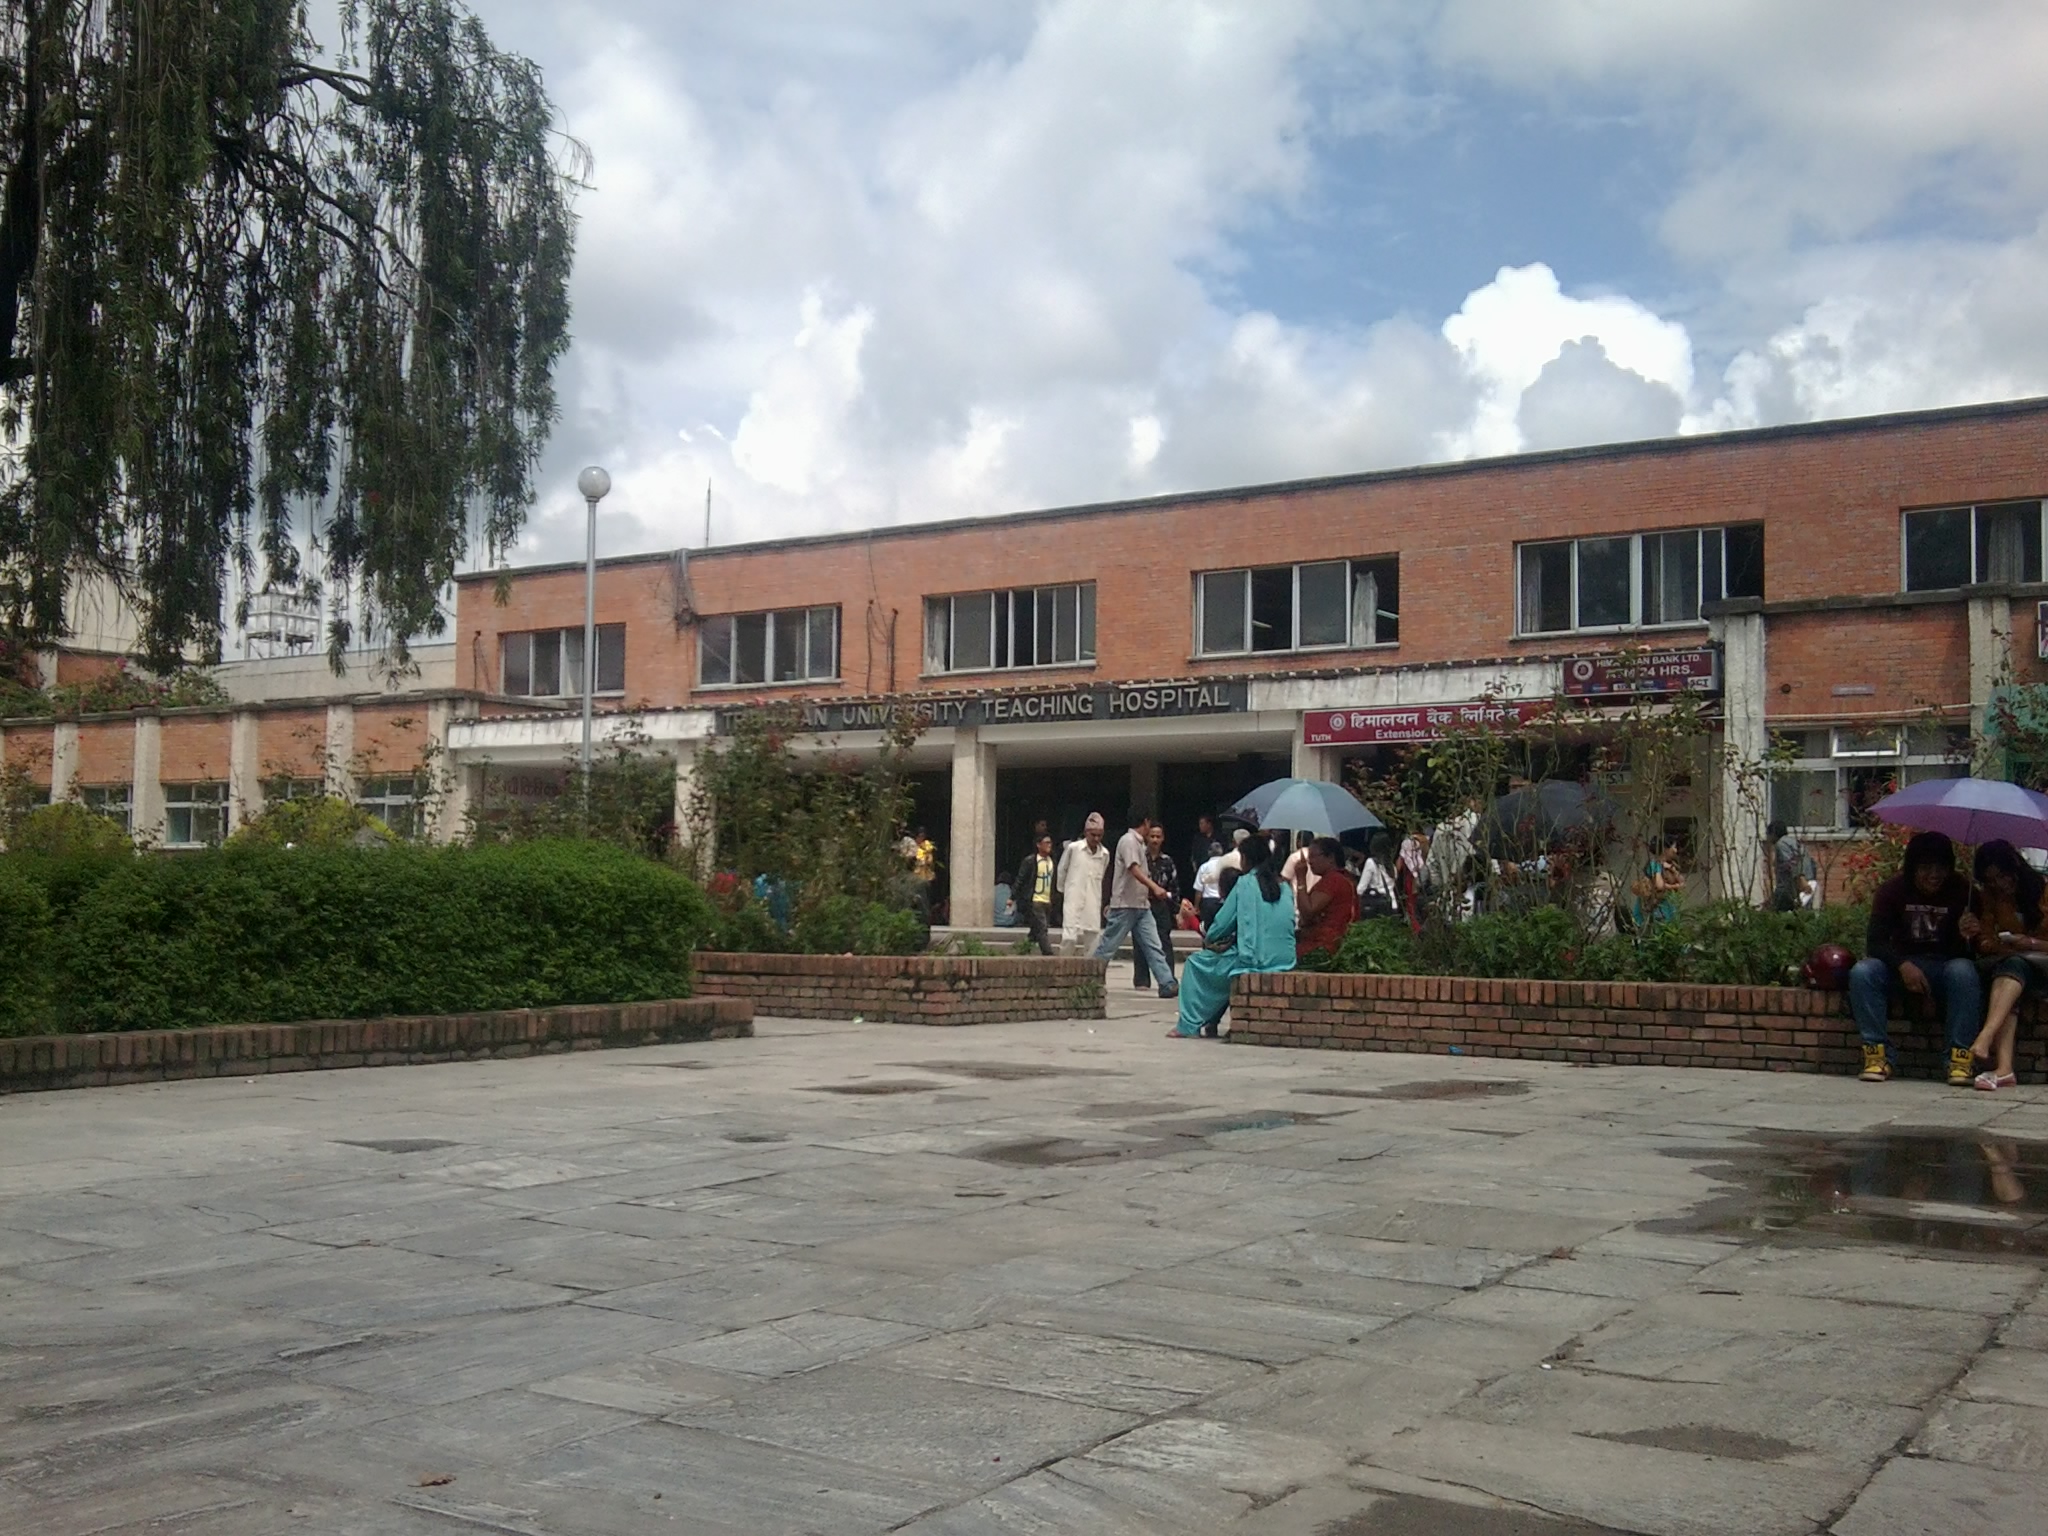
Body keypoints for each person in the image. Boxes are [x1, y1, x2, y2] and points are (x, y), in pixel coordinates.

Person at [1849, 830, 1980, 1084]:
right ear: (1912, 868)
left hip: (1945, 967)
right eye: (1926, 868)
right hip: (1899, 965)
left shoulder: (1964, 892)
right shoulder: (1892, 891)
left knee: (1964, 971)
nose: (1934, 875)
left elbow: (1973, 954)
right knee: (1863, 972)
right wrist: (1902, 965)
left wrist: (1970, 935)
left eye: (1941, 868)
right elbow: (1875, 943)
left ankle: (1959, 1058)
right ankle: (1878, 1056)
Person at [1171, 832, 1295, 1038]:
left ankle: (1188, 1025)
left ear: (1246, 859)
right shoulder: (1284, 887)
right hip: (1286, 958)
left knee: (1195, 964)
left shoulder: (1245, 883)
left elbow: (1220, 926)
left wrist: (1210, 936)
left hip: (1254, 959)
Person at [1964, 839, 2047, 1091]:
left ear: (2015, 868)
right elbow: (1986, 942)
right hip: (2015, 966)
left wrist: (2030, 943)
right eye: (1990, 881)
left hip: (2043, 966)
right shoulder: (1992, 899)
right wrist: (1976, 935)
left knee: (2012, 969)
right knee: (2011, 971)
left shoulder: (2043, 892)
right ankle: (2004, 1069)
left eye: (2002, 877)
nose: (1999, 885)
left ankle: (1986, 1037)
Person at [1094, 807, 1178, 998]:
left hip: (1141, 904)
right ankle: (1090, 978)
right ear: (1145, 822)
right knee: (1108, 946)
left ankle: (1167, 983)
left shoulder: (1139, 843)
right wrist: (1154, 887)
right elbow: (1134, 869)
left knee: (1153, 945)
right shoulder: (1129, 841)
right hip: (1125, 904)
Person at [1295, 836, 1360, 963]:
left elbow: (1308, 911)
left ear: (1330, 858)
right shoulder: (1344, 878)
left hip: (1323, 946)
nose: (1310, 862)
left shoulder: (1333, 880)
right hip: (1337, 943)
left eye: (1313, 856)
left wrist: (1301, 879)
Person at [1135, 825, 1180, 988]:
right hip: (1142, 902)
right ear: (1147, 837)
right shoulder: (1140, 858)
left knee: (1164, 941)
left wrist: (1176, 910)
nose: (1154, 840)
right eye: (1152, 836)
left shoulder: (1167, 861)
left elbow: (1174, 886)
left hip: (1161, 905)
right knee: (1140, 940)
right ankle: (1141, 980)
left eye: (1158, 836)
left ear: (1162, 839)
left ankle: (1168, 978)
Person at [1056, 813, 1112, 935]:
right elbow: (1062, 869)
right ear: (1086, 833)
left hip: (1093, 898)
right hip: (1073, 896)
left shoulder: (1104, 854)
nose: (1096, 839)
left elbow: (1102, 874)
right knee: (1069, 936)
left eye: (1099, 835)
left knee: (1092, 934)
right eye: (1093, 835)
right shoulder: (1073, 848)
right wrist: (1063, 890)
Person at [1014, 832, 1058, 956]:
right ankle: (1048, 953)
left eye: (1050, 843)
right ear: (1039, 845)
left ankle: (1024, 949)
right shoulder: (1031, 861)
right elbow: (1021, 879)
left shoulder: (1052, 861)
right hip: (1035, 899)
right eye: (1046, 843)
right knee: (1042, 927)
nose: (1049, 845)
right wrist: (1013, 896)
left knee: (1035, 929)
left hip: (1047, 900)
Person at [1632, 840, 1684, 929]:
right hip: (1657, 904)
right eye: (1673, 847)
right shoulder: (1655, 864)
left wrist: (1672, 869)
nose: (1675, 850)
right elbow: (1659, 885)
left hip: (1668, 903)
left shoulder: (1671, 864)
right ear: (1665, 849)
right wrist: (1675, 886)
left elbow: (1682, 881)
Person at [1357, 831, 1398, 919]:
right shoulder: (1391, 865)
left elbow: (1360, 889)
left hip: (1377, 907)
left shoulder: (1371, 862)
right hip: (1392, 905)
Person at [1768, 821, 1806, 912]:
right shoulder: (1795, 843)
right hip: (1797, 890)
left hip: (1786, 888)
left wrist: (1801, 880)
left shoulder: (1781, 844)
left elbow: (1790, 863)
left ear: (1773, 833)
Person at [1187, 814, 1221, 899]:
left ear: (1209, 824)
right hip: (1202, 867)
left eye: (1202, 823)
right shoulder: (1198, 838)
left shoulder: (1219, 837)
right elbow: (1194, 854)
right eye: (1199, 824)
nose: (1200, 826)